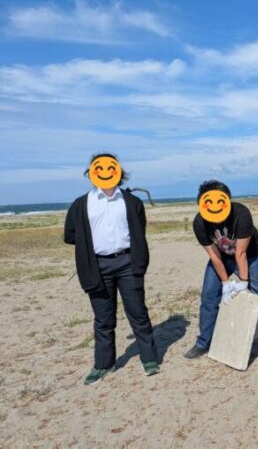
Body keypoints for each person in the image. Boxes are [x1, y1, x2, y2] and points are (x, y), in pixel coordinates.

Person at [64, 153, 159, 385]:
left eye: (110, 167)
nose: (105, 172)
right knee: (103, 319)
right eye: (99, 168)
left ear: (118, 171)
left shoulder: (132, 202)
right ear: (91, 173)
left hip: (128, 263)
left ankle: (149, 359)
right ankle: (103, 364)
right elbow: (70, 235)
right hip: (97, 267)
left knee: (138, 313)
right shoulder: (81, 204)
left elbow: (139, 230)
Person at [183, 180, 258, 359]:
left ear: (227, 200)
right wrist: (225, 283)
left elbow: (241, 253)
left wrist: (243, 283)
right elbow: (214, 255)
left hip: (249, 256)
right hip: (221, 258)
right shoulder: (200, 222)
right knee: (208, 298)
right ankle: (204, 342)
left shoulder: (241, 214)